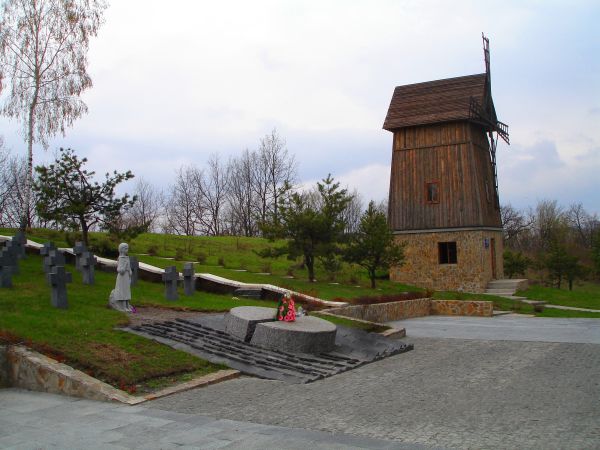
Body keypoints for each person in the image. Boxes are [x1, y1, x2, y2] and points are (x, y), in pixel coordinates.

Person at [108, 243, 134, 312]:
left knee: (127, 290)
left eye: (127, 248)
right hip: (122, 278)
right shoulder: (121, 258)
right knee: (122, 291)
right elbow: (119, 270)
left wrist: (130, 271)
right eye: (125, 248)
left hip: (126, 277)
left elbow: (129, 267)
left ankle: (127, 304)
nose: (127, 250)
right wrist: (125, 266)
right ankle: (123, 306)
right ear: (121, 250)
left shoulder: (127, 258)